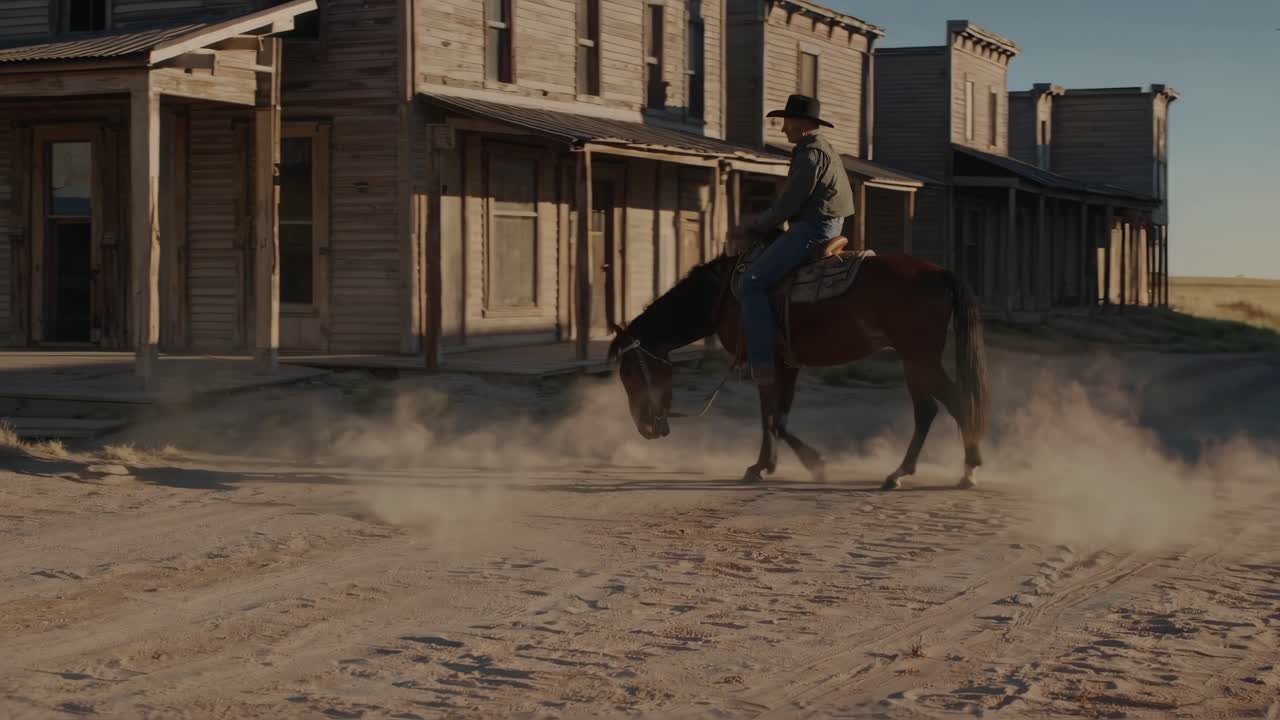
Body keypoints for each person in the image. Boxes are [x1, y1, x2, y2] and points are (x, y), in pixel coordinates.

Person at [731, 94, 855, 388]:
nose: (783, 128)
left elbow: (788, 204)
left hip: (814, 228)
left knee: (751, 283)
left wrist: (755, 226)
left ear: (802, 124)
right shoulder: (821, 149)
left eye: (787, 121)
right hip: (823, 222)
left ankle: (762, 364)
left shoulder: (810, 155)